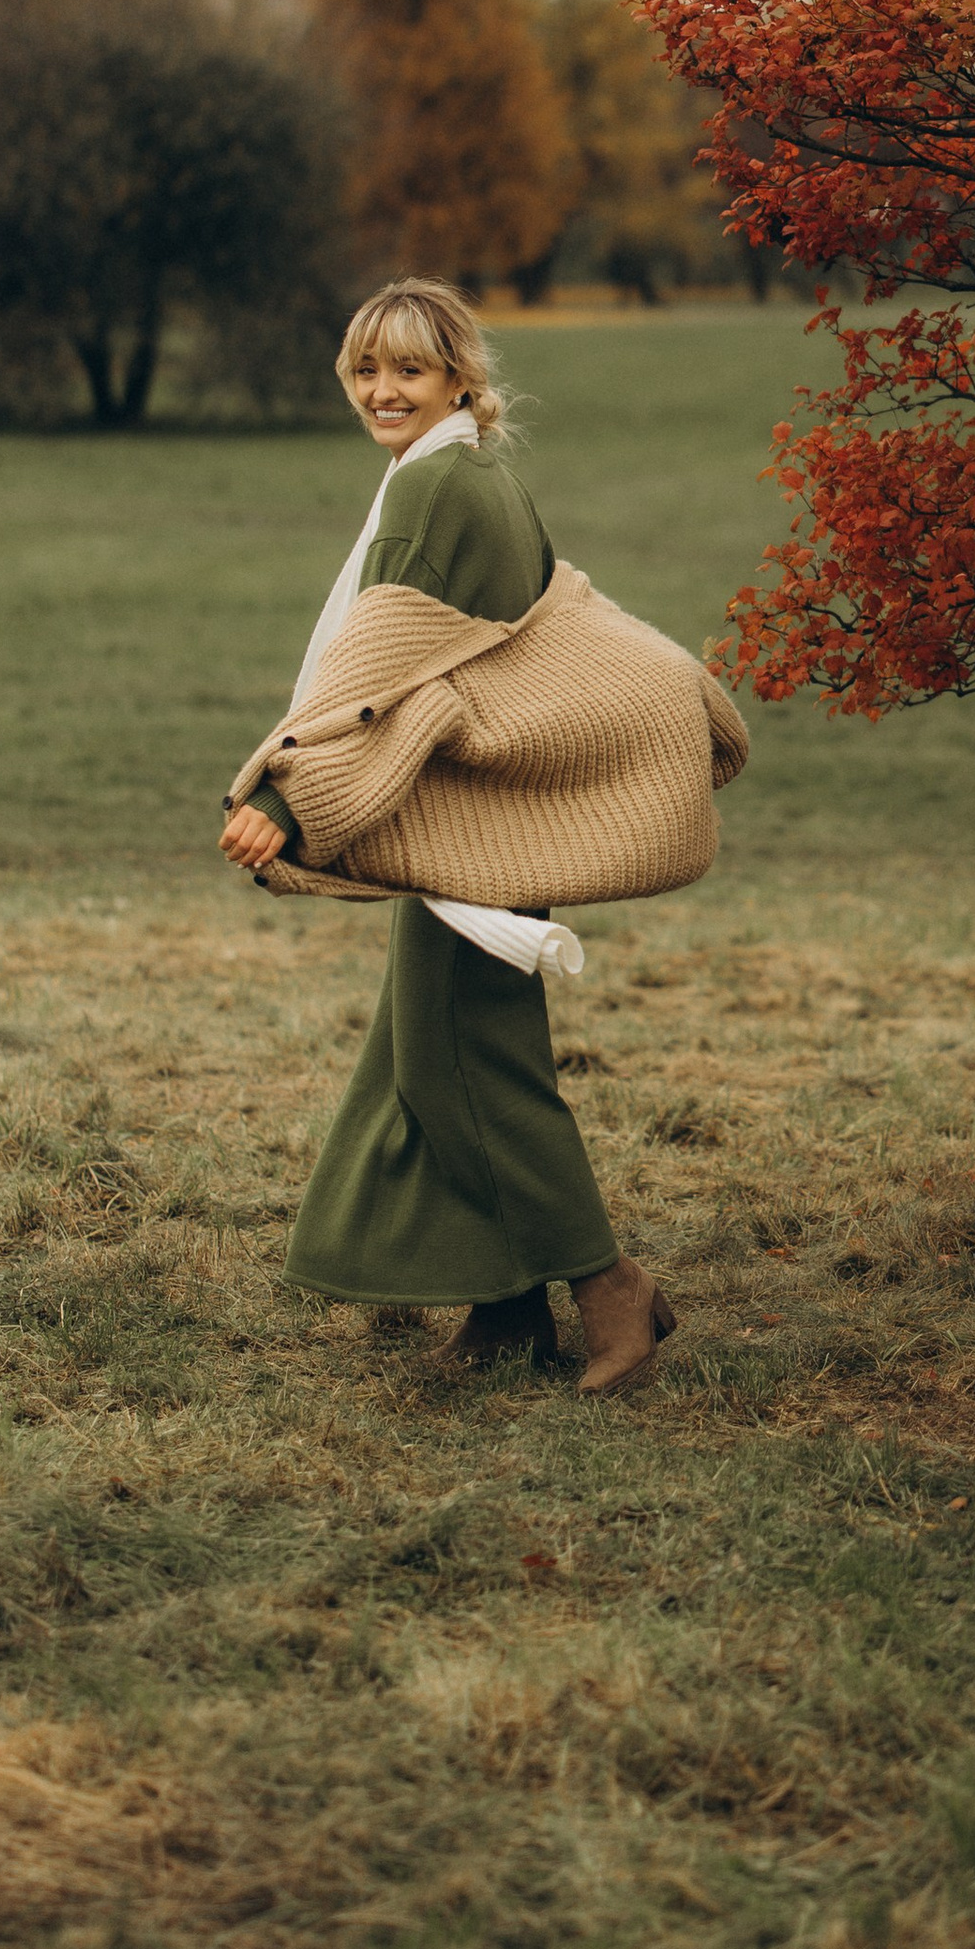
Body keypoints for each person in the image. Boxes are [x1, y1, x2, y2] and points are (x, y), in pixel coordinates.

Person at [219, 278, 681, 1396]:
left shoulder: (436, 490)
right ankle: (506, 1307)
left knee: (472, 1066)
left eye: (409, 370)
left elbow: (382, 677)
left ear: (458, 378)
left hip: (472, 830)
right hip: (481, 822)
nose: (383, 390)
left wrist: (286, 801)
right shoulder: (476, 474)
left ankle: (611, 1287)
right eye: (365, 370)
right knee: (430, 1056)